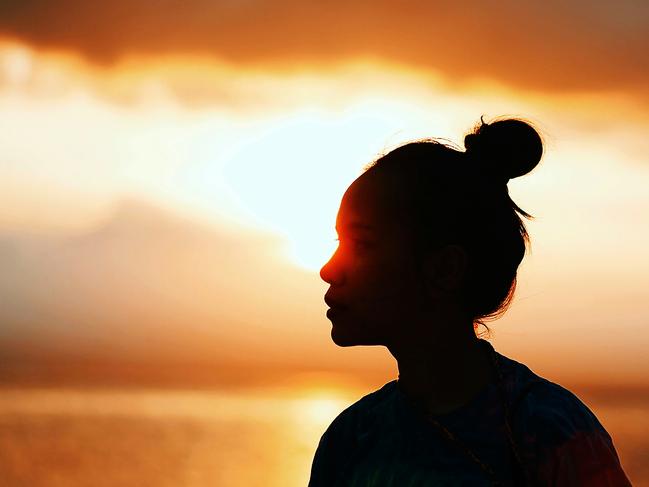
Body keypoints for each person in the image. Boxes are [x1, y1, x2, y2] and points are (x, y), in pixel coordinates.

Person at [309, 117, 632, 486]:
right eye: (338, 243)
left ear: (445, 269)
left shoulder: (548, 430)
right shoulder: (352, 438)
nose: (328, 270)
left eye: (361, 244)